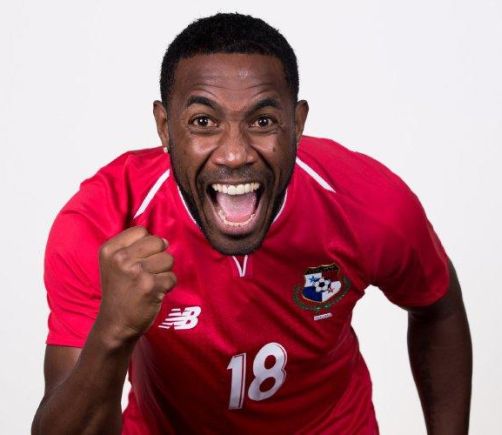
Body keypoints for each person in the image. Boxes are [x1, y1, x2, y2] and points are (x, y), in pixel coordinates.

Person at [31, 12, 472, 435]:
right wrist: (112, 332)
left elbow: (437, 305)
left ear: (296, 123)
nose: (234, 153)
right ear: (164, 127)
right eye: (203, 122)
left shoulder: (363, 199)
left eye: (263, 121)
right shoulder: (104, 221)